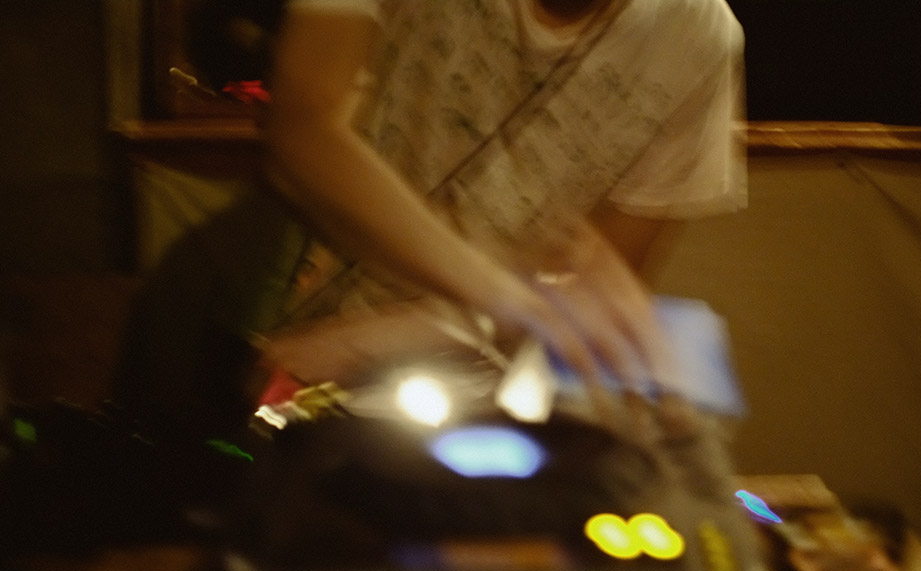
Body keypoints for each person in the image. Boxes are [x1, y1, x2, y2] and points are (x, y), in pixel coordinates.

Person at [115, 0, 745, 436]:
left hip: (461, 396)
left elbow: (582, 294)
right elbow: (303, 131)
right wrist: (503, 295)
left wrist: (373, 338)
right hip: (259, 324)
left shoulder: (699, 37)